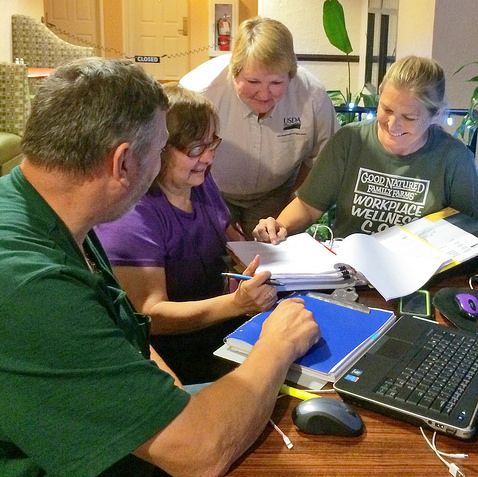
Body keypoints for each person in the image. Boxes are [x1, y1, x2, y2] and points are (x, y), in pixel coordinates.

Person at [0, 57, 319, 477]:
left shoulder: (46, 210)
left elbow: (122, 334)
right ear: (124, 162)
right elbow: (201, 452)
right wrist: (278, 344)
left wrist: (170, 398)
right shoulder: (31, 285)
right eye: (160, 149)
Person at [95, 83, 276, 385]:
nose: (208, 158)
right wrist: (237, 304)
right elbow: (150, 316)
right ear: (159, 148)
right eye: (195, 149)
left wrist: (260, 241)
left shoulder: (199, 182)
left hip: (219, 331)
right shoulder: (133, 215)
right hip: (175, 357)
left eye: (211, 144)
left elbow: (230, 240)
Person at [253, 55, 478, 244]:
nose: (393, 125)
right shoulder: (350, 141)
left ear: (435, 115)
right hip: (349, 274)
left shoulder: (454, 158)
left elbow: (466, 232)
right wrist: (279, 226)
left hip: (421, 279)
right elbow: (309, 206)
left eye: (409, 117)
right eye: (386, 109)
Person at [180, 16, 339, 238]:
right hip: (210, 192)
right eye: (253, 82)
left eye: (276, 83)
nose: (264, 95)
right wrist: (218, 219)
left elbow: (319, 162)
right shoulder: (200, 92)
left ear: (290, 76)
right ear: (233, 71)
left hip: (278, 194)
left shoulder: (313, 96)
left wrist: (288, 211)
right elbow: (177, 164)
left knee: (271, 259)